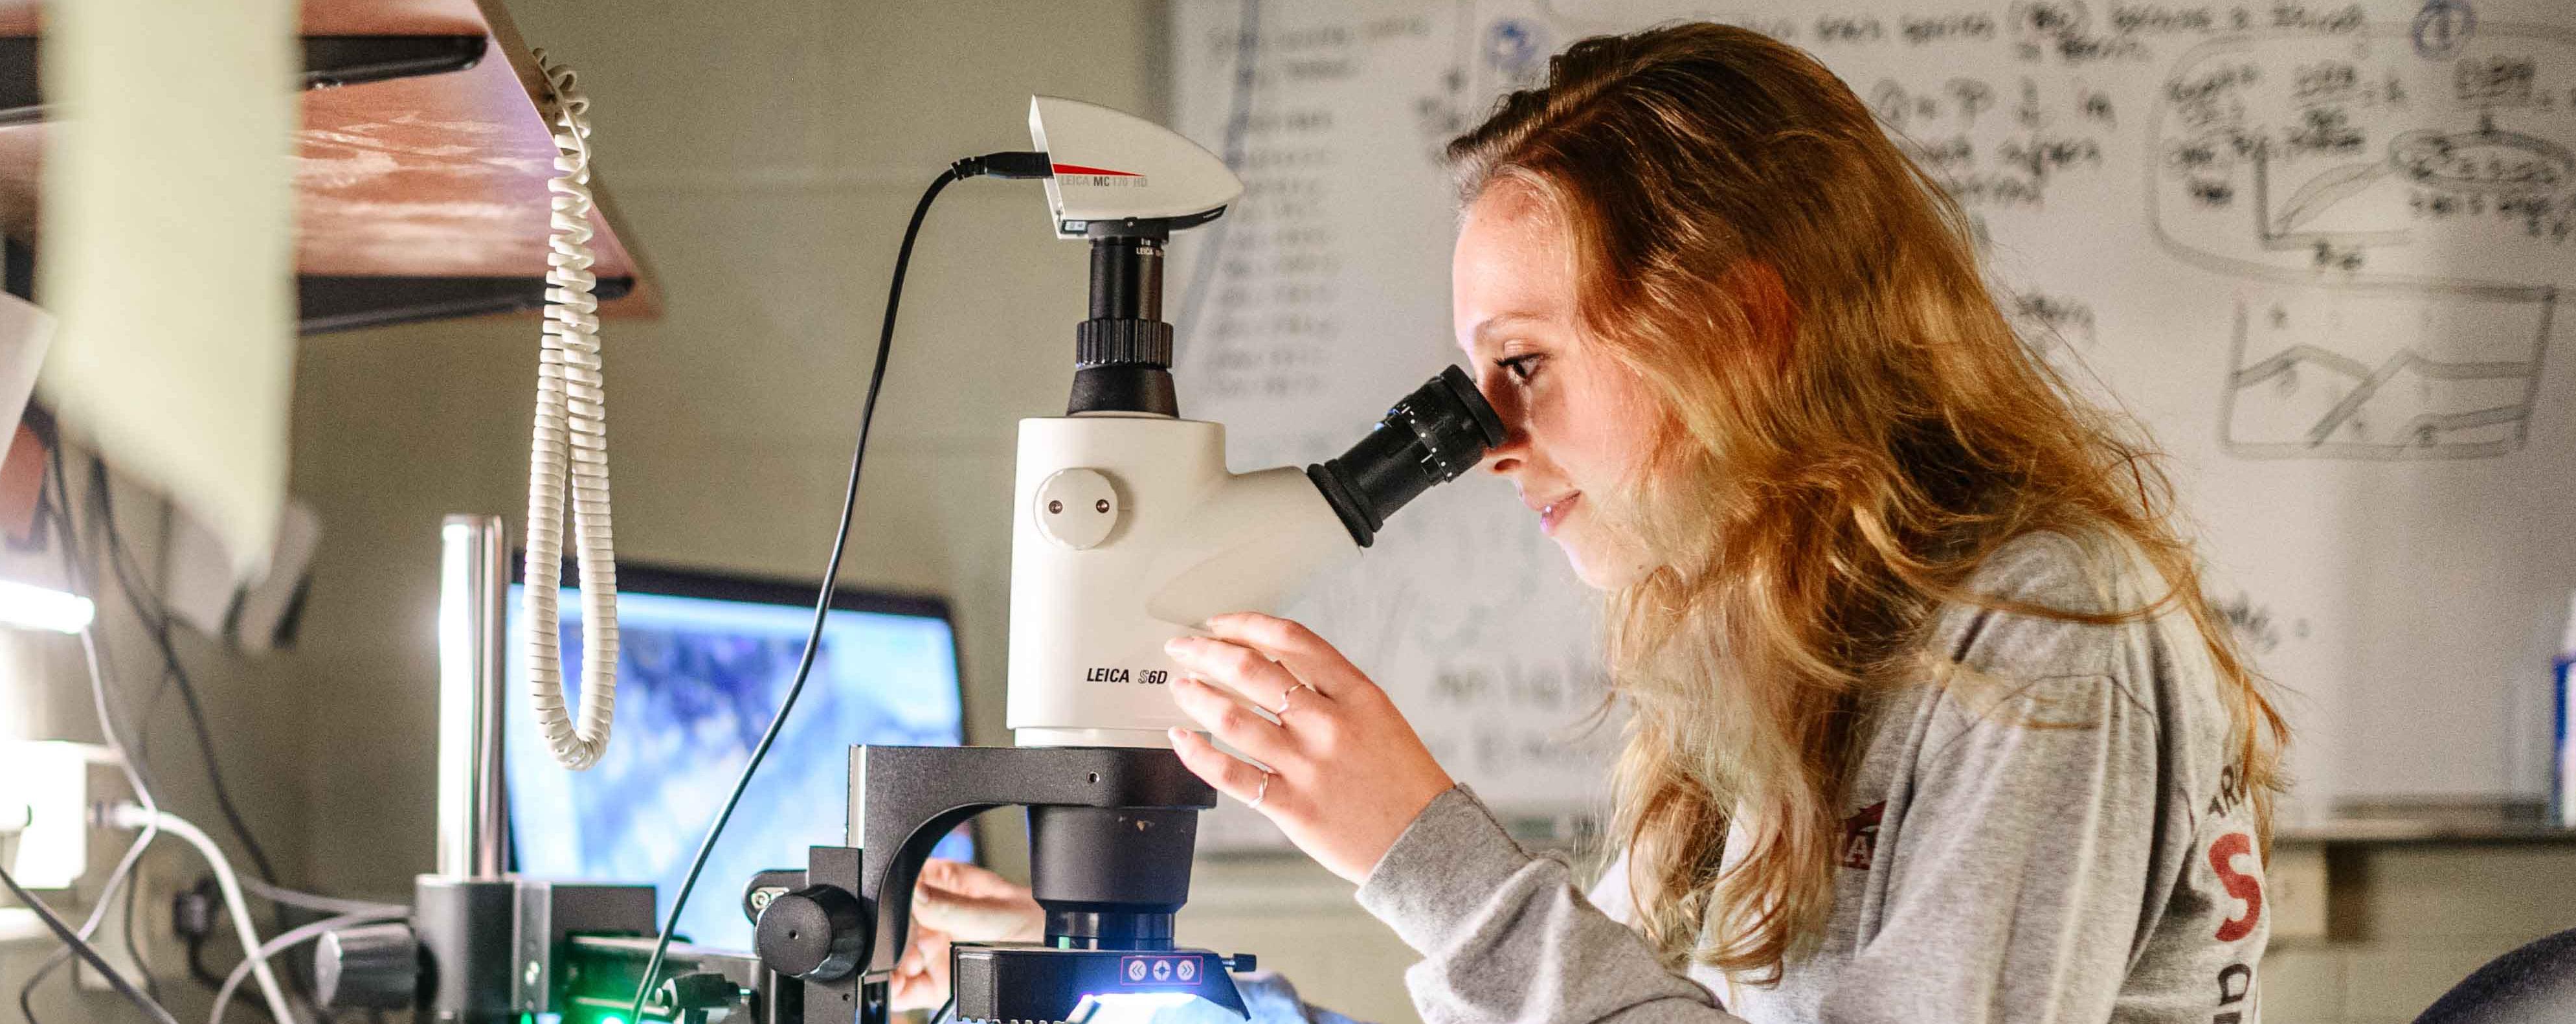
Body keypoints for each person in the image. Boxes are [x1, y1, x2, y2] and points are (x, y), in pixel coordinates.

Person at [891, 23, 2292, 1024]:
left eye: (1526, 363)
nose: (1488, 439)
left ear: (1739, 325)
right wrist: (1119, 992)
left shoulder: (2043, 629)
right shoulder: (1759, 645)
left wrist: (1424, 852)